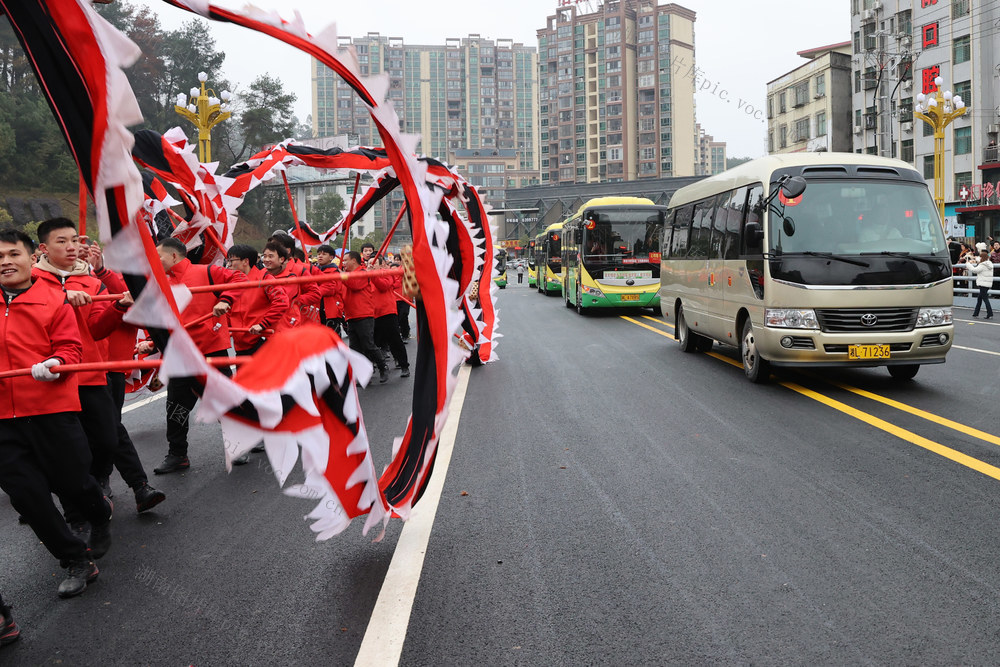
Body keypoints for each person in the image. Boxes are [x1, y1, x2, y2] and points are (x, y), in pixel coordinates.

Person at [0, 228, 112, 598]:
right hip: (3, 419)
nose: (5, 262)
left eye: (12, 254)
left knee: (74, 482)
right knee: (26, 495)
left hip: (51, 407)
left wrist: (55, 361)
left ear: (30, 258)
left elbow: (71, 347)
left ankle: (99, 512)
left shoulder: (55, 300)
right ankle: (77, 558)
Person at [83, 241, 167, 514]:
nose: (75, 249)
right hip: (70, 370)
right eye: (65, 242)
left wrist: (101, 271)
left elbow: (139, 307)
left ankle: (124, 483)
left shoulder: (110, 279)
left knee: (110, 428)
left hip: (110, 368)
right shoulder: (48, 281)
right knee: (68, 433)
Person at [152, 238, 247, 475]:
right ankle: (177, 455)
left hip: (211, 350)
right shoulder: (159, 282)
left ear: (174, 256)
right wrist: (149, 341)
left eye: (159, 256)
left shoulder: (207, 271)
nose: (155, 261)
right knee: (176, 407)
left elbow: (240, 278)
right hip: (180, 354)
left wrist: (226, 300)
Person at [225, 244, 289, 357]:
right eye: (228, 261)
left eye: (231, 261)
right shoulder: (231, 282)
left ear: (245, 261)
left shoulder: (264, 278)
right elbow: (229, 311)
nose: (228, 265)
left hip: (261, 339)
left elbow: (281, 302)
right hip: (240, 342)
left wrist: (263, 324)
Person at [342, 250, 388, 383]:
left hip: (364, 314)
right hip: (351, 316)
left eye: (345, 260)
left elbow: (355, 285)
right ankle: (363, 374)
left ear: (354, 261)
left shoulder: (363, 273)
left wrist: (342, 276)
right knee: (355, 349)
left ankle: (382, 366)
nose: (343, 263)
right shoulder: (348, 275)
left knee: (368, 345)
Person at [371, 255, 409, 377]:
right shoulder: (364, 275)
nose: (370, 265)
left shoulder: (387, 273)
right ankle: (379, 367)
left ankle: (404, 365)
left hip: (387, 311)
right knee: (372, 343)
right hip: (371, 314)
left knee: (394, 340)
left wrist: (373, 275)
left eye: (374, 263)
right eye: (369, 263)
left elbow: (384, 286)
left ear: (382, 265)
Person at [968, 248, 994, 319]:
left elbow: (974, 270)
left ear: (982, 257)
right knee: (980, 298)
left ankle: (990, 313)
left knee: (985, 299)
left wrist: (968, 264)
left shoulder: (982, 265)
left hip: (982, 284)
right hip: (987, 284)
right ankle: (975, 313)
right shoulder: (989, 264)